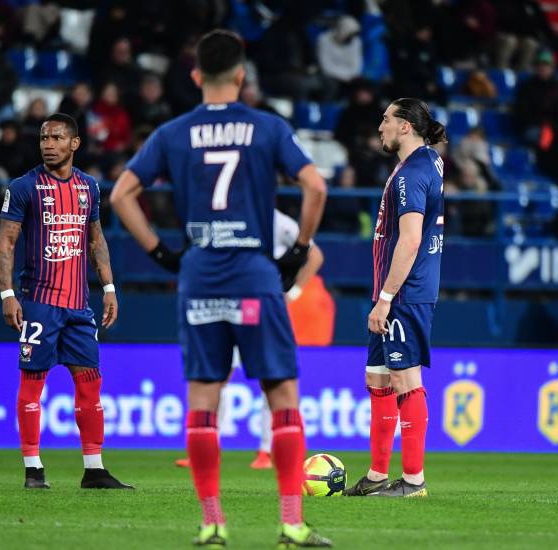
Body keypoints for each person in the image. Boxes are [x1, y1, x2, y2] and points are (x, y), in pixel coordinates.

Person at [110, 30, 331, 548]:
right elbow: (316, 186)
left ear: (194, 77)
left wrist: (162, 253)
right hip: (255, 274)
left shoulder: (172, 132)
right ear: (240, 75)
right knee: (281, 396)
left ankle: (212, 523)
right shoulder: (266, 127)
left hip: (199, 275)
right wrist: (299, 249)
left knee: (204, 401)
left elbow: (122, 193)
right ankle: (291, 524)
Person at [0, 112, 132, 491]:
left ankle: (94, 469)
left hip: (79, 306)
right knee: (32, 383)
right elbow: (6, 242)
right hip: (38, 301)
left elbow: (96, 240)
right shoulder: (24, 187)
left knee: (90, 383)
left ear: (74, 144)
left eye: (56, 138)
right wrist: (8, 294)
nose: (48, 145)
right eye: (43, 138)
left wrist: (108, 287)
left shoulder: (89, 187)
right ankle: (33, 470)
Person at [344, 98, 446, 498]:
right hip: (396, 290)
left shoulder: (413, 173)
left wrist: (386, 297)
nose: (380, 125)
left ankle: (414, 481)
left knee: (405, 377)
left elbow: (411, 238)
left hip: (404, 292)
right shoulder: (427, 163)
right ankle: (376, 475)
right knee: (379, 378)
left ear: (406, 126)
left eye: (386, 119)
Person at [174, 209, 325, 471]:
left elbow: (315, 254)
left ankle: (266, 452)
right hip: (229, 304)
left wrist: (294, 290)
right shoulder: (223, 214)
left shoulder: (278, 220)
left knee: (272, 381)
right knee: (217, 380)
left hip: (261, 307)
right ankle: (209, 447)